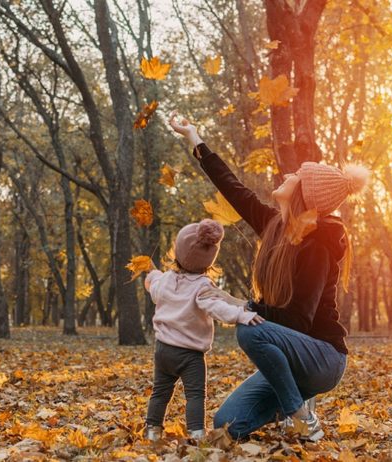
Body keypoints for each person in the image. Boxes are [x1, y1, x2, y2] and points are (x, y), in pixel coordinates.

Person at [169, 112, 370, 441]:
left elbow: (299, 321)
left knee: (249, 332)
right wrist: (194, 138)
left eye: (297, 175)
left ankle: (299, 414)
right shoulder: (278, 228)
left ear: (304, 194)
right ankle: (297, 406)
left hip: (324, 359)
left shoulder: (317, 248)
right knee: (226, 426)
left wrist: (244, 307)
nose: (288, 174)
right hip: (296, 360)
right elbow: (234, 189)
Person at [144, 218, 264, 441]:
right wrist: (242, 315)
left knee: (160, 392)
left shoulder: (166, 280)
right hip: (190, 355)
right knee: (195, 395)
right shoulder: (202, 286)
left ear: (177, 251)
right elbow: (217, 308)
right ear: (209, 259)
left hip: (163, 350)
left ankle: (152, 431)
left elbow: (154, 284)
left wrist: (151, 276)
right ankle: (197, 434)